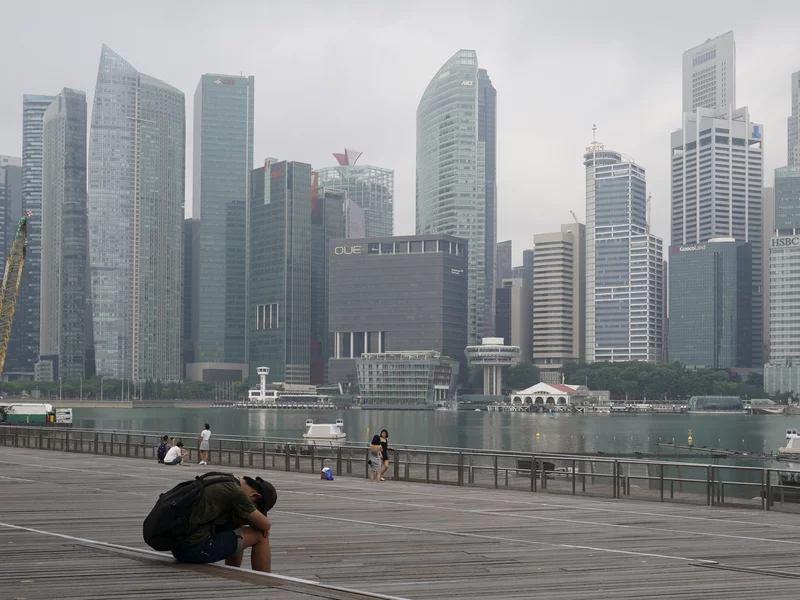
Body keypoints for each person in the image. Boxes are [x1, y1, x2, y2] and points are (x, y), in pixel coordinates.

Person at [171, 473, 276, 572]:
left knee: (237, 524)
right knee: (260, 535)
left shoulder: (224, 479)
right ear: (255, 496)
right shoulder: (237, 493)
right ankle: (265, 582)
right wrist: (260, 526)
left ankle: (233, 572)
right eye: (256, 508)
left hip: (178, 546)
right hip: (194, 549)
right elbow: (266, 525)